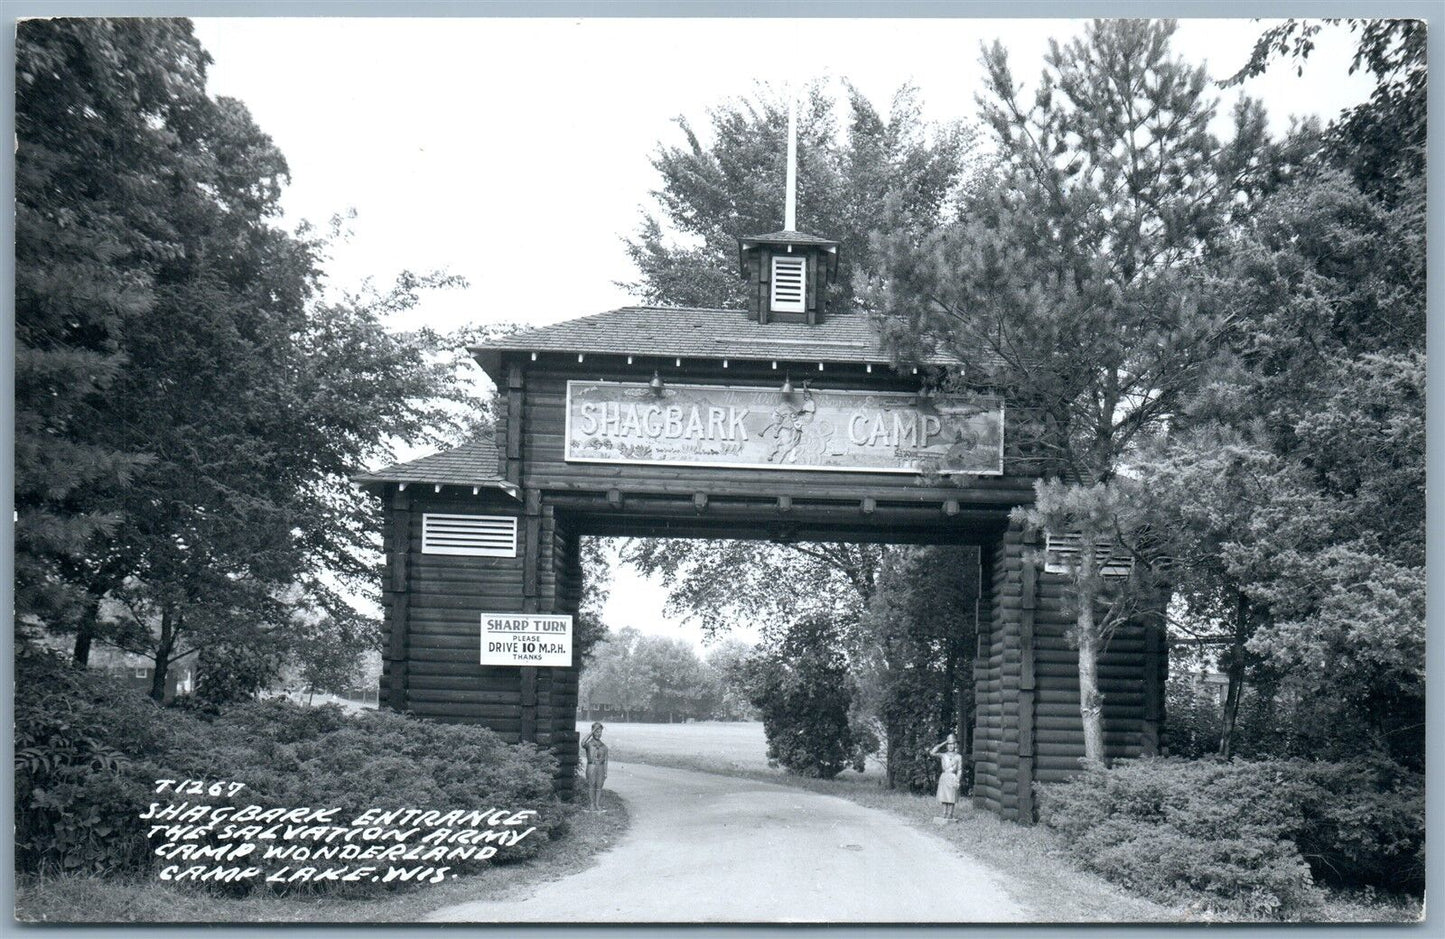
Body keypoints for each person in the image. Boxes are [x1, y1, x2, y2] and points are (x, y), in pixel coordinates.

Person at [928, 733, 964, 820]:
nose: (950, 746)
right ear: (947, 745)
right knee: (944, 796)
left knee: (952, 796)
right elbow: (932, 752)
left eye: (952, 744)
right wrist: (943, 743)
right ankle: (944, 813)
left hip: (952, 776)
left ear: (955, 745)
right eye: (949, 744)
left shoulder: (958, 756)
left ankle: (950, 814)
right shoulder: (943, 755)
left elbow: (959, 769)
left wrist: (957, 779)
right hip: (944, 776)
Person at [581, 722, 609, 812]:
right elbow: (582, 742)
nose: (598, 734)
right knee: (591, 785)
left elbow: (606, 761)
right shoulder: (589, 744)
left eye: (600, 732)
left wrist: (605, 772)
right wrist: (591, 732)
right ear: (593, 732)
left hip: (600, 767)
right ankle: (592, 804)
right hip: (591, 766)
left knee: (599, 786)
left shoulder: (604, 746)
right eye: (596, 732)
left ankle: (597, 804)